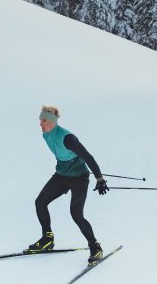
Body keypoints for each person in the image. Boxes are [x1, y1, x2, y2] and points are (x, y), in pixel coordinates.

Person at [27, 105, 110, 264]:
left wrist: (99, 179)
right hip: (62, 176)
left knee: (76, 214)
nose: (40, 123)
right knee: (40, 202)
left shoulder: (68, 138)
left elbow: (88, 157)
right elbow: (61, 155)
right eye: (40, 120)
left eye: (43, 120)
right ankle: (47, 239)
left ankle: (95, 247)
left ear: (52, 121)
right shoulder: (46, 135)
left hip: (79, 179)